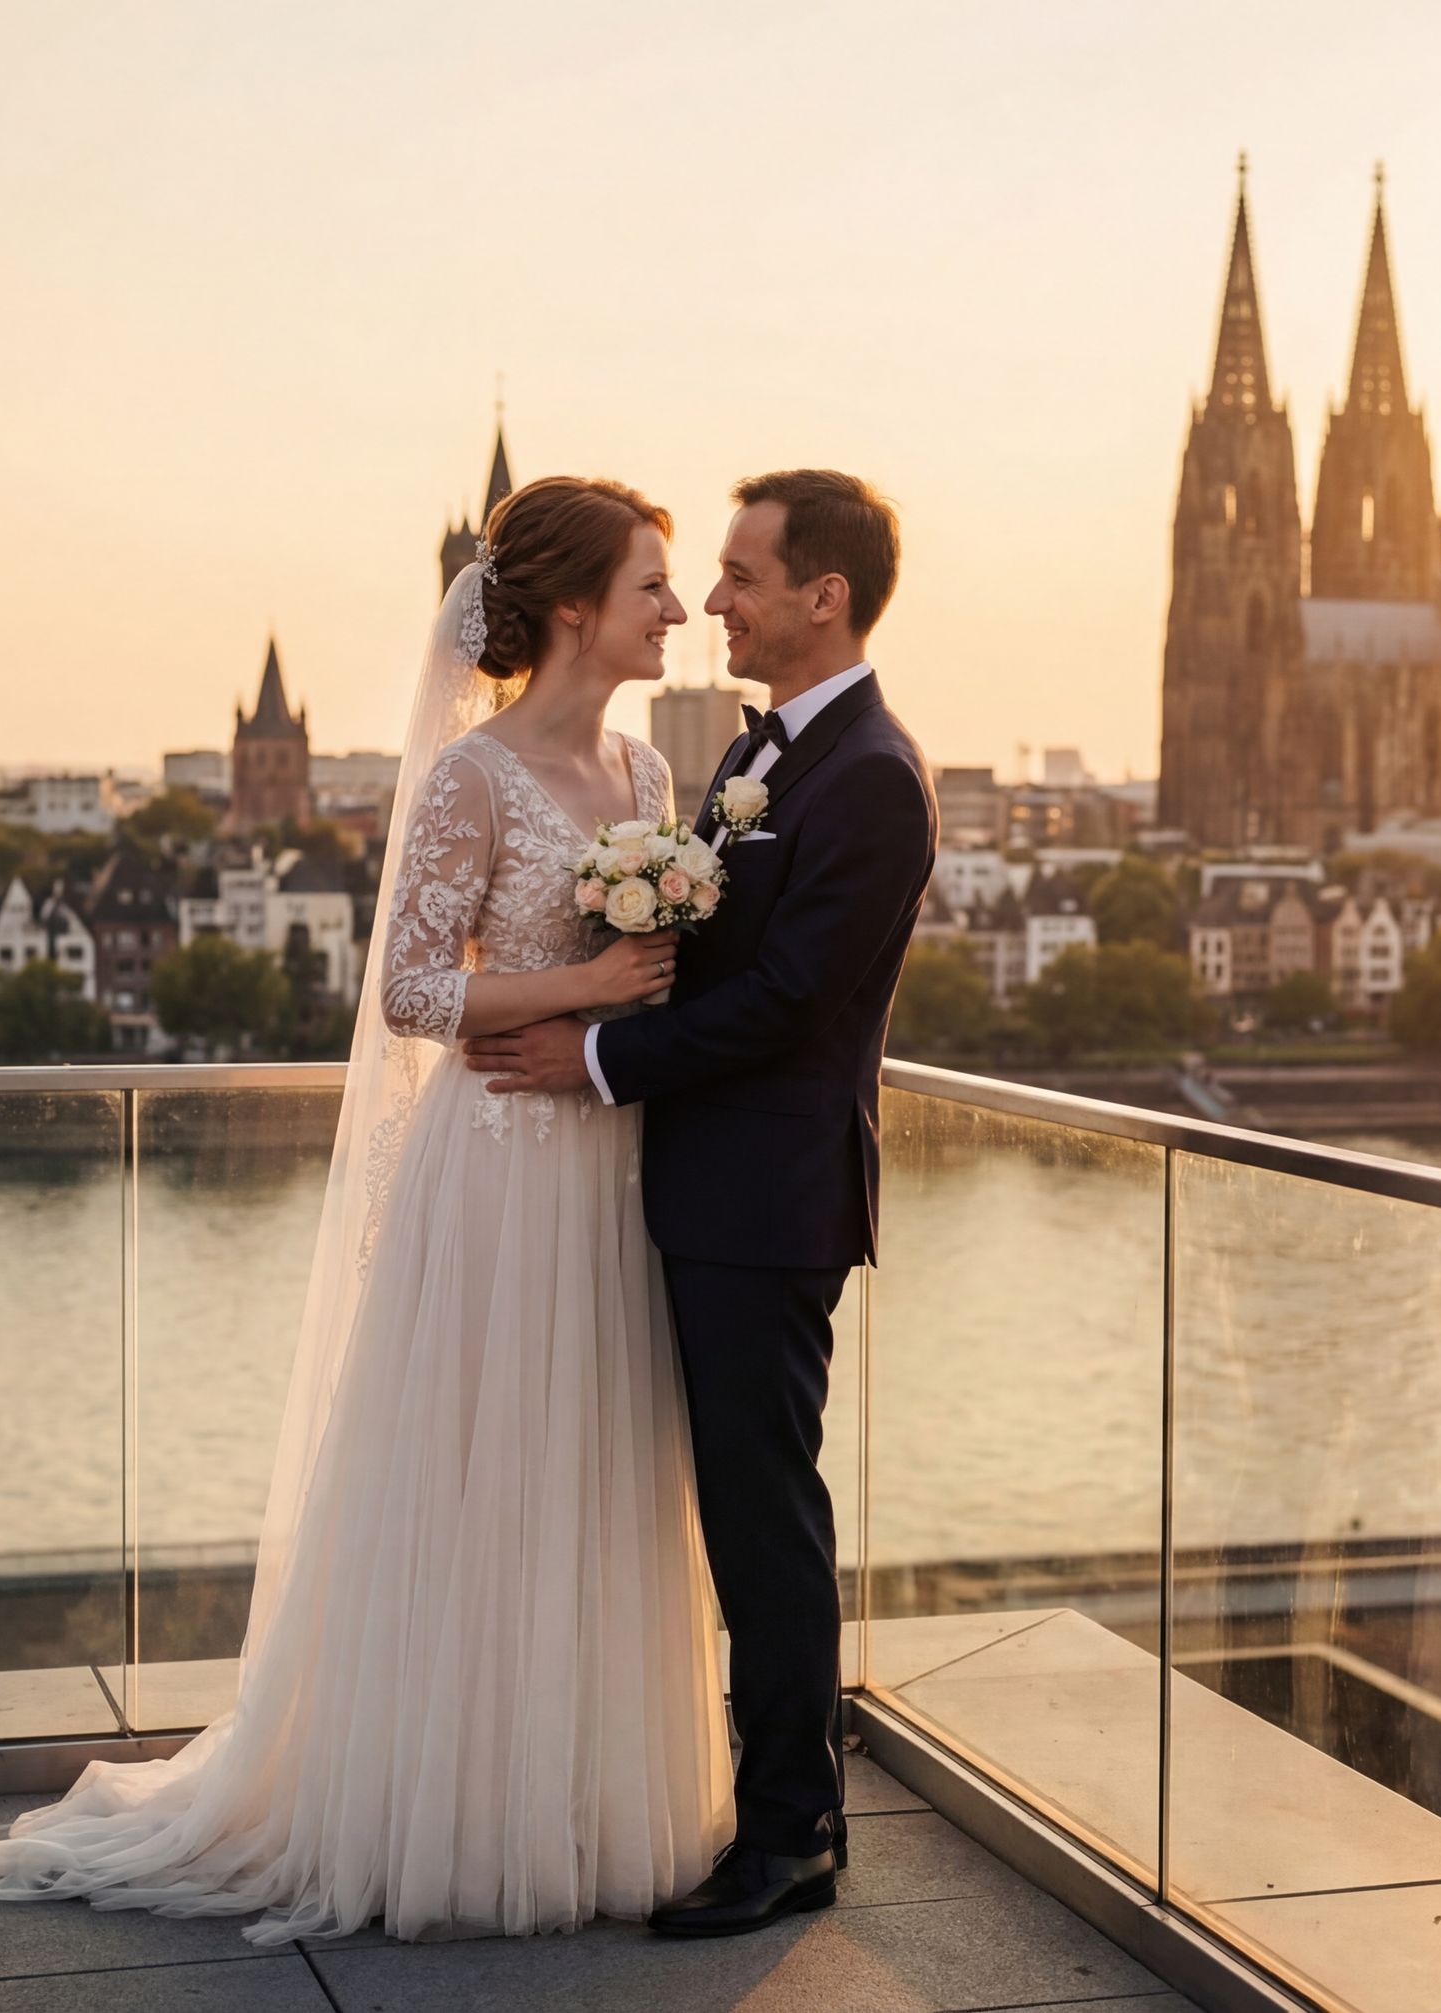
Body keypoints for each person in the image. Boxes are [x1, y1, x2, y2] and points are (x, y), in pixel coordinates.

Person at [0, 477, 733, 1944]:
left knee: (593, 1469)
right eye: (653, 585)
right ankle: (455, 1810)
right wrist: (583, 982)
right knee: (481, 1468)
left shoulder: (646, 775)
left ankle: (569, 1798)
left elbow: (656, 981)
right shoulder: (472, 776)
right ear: (579, 608)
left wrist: (627, 1009)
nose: (677, 610)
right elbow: (412, 991)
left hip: (608, 1162)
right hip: (499, 1163)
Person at [462, 467, 935, 1937]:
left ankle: (792, 1833)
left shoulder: (871, 774)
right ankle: (748, 1804)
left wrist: (597, 1055)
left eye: (739, 575)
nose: (713, 600)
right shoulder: (759, 757)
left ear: (823, 597)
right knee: (725, 1510)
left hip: (767, 1204)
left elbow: (792, 1003)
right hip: (698, 1191)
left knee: (761, 1519)